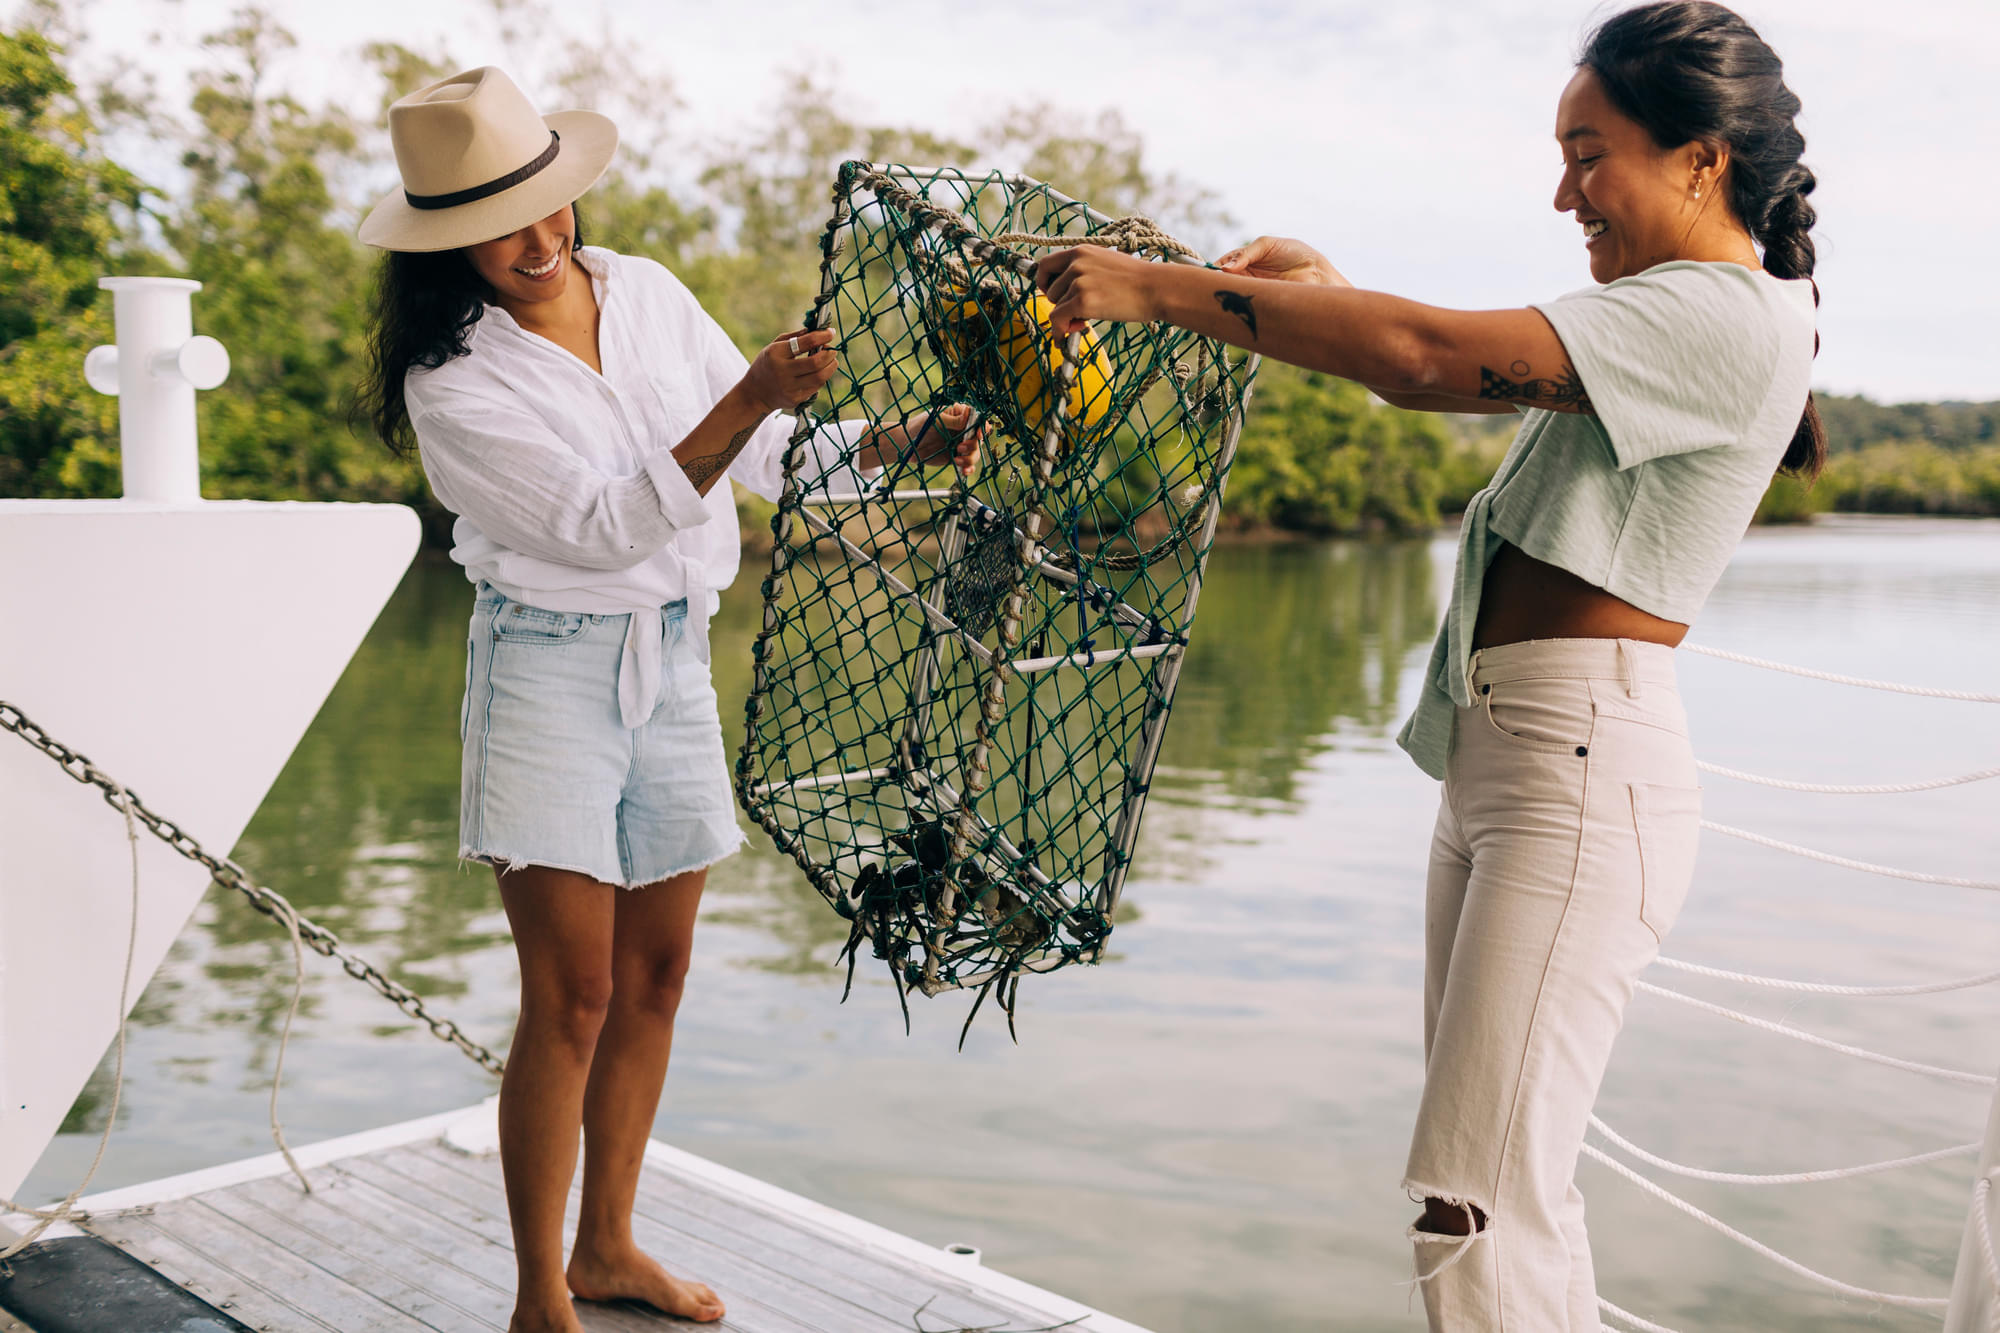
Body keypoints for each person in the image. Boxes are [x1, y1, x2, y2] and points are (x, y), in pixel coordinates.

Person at [1032, 2, 1820, 1327]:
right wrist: (1310, 295)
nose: (1562, 191)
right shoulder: (1669, 315)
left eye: (1590, 154)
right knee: (1501, 1186)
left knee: (1477, 1199)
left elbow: (1422, 360)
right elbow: (1431, 355)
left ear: (1700, 159)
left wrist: (1157, 294)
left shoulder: (1719, 313)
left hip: (1578, 773)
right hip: (1517, 762)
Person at [352, 67, 980, 1333]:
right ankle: (540, 1292)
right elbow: (593, 528)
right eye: (501, 225)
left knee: (658, 975)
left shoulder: (637, 287)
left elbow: (766, 455)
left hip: (675, 657)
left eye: (549, 208)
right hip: (546, 666)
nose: (540, 242)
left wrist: (898, 439)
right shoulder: (451, 383)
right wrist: (747, 391)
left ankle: (609, 1246)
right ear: (443, 243)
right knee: (569, 994)